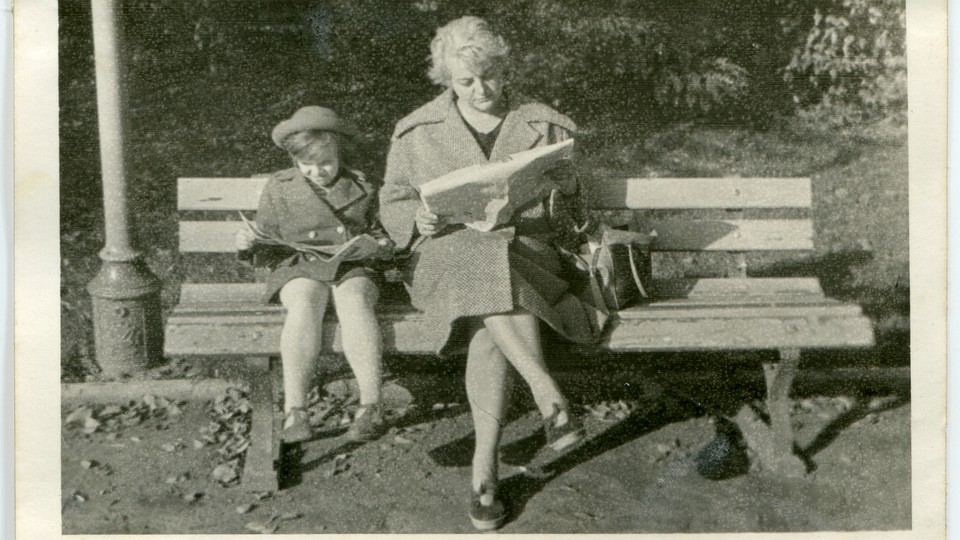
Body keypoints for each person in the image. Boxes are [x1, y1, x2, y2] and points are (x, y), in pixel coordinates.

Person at [380, 17, 605, 531]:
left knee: (487, 326)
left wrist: (569, 191)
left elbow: (578, 225)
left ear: (505, 69)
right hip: (443, 258)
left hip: (529, 255)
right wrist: (417, 217)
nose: (481, 91)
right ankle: (547, 393)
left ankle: (485, 471)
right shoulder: (416, 132)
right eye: (466, 81)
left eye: (490, 77)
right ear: (445, 80)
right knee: (472, 253)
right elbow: (392, 204)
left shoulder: (544, 125)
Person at [236, 106, 394, 444]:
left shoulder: (363, 186)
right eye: (306, 164)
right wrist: (249, 240)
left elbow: (383, 232)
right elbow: (265, 235)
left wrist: (380, 243)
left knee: (355, 300)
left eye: (326, 162)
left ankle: (371, 405)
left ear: (340, 153)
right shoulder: (280, 187)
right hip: (299, 263)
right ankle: (297, 410)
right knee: (305, 302)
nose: (317, 171)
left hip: (351, 264)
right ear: (294, 160)